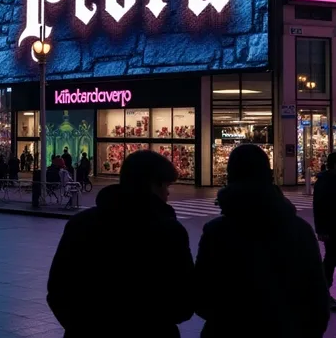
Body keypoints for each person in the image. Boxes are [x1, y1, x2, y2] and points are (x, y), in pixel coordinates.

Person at [48, 150, 194, 337]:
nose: (168, 193)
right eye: (166, 185)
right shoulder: (167, 231)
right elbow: (183, 300)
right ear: (153, 185)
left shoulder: (81, 223)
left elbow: (59, 288)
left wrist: (79, 326)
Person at [195, 144, 329, 338]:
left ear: (230, 176)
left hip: (228, 329)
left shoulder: (217, 231)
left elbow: (202, 297)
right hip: (286, 329)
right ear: (269, 175)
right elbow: (316, 295)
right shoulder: (299, 229)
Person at [314, 151, 336, 307]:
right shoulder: (325, 182)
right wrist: (321, 230)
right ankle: (323, 292)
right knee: (331, 259)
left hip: (331, 226)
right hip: (331, 228)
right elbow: (319, 207)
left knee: (331, 259)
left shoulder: (329, 180)